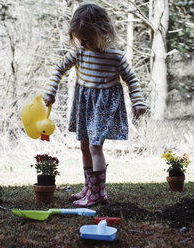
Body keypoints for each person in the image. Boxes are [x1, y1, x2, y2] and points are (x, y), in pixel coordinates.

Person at [43, 4, 147, 207]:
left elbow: (131, 79)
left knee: (95, 145)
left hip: (104, 105)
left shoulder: (115, 56)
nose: (82, 43)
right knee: (84, 145)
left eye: (86, 38)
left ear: (101, 32)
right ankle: (90, 187)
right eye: (79, 39)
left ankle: (99, 193)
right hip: (84, 104)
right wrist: (50, 91)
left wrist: (138, 100)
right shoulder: (79, 52)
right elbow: (59, 69)